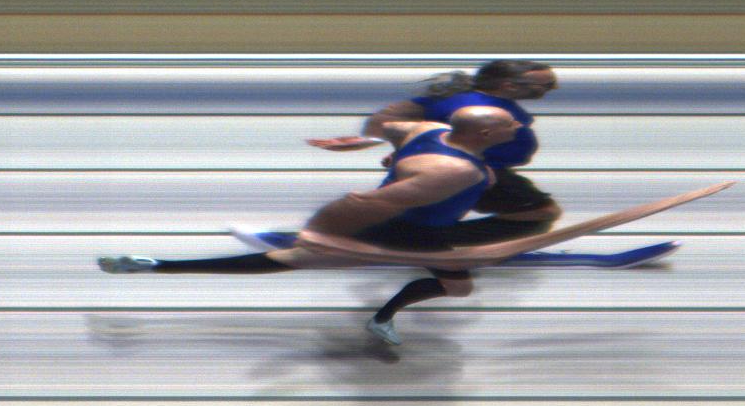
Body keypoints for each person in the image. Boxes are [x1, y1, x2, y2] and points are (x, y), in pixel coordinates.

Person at [98, 107, 523, 345]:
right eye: (510, 123)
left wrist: (370, 144)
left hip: (405, 224)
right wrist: (327, 234)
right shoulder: (456, 171)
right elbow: (373, 203)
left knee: (291, 259)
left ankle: (156, 265)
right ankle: (381, 318)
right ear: (486, 132)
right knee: (457, 286)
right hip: (409, 230)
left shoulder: (429, 129)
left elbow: (390, 127)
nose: (519, 125)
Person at [300, 60, 563, 245]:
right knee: (542, 212)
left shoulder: (461, 98)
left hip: (468, 168)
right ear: (509, 86)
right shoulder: (485, 107)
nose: (551, 90)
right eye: (546, 85)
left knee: (424, 209)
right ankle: (423, 243)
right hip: (473, 171)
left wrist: (379, 141)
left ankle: (409, 238)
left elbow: (394, 115)